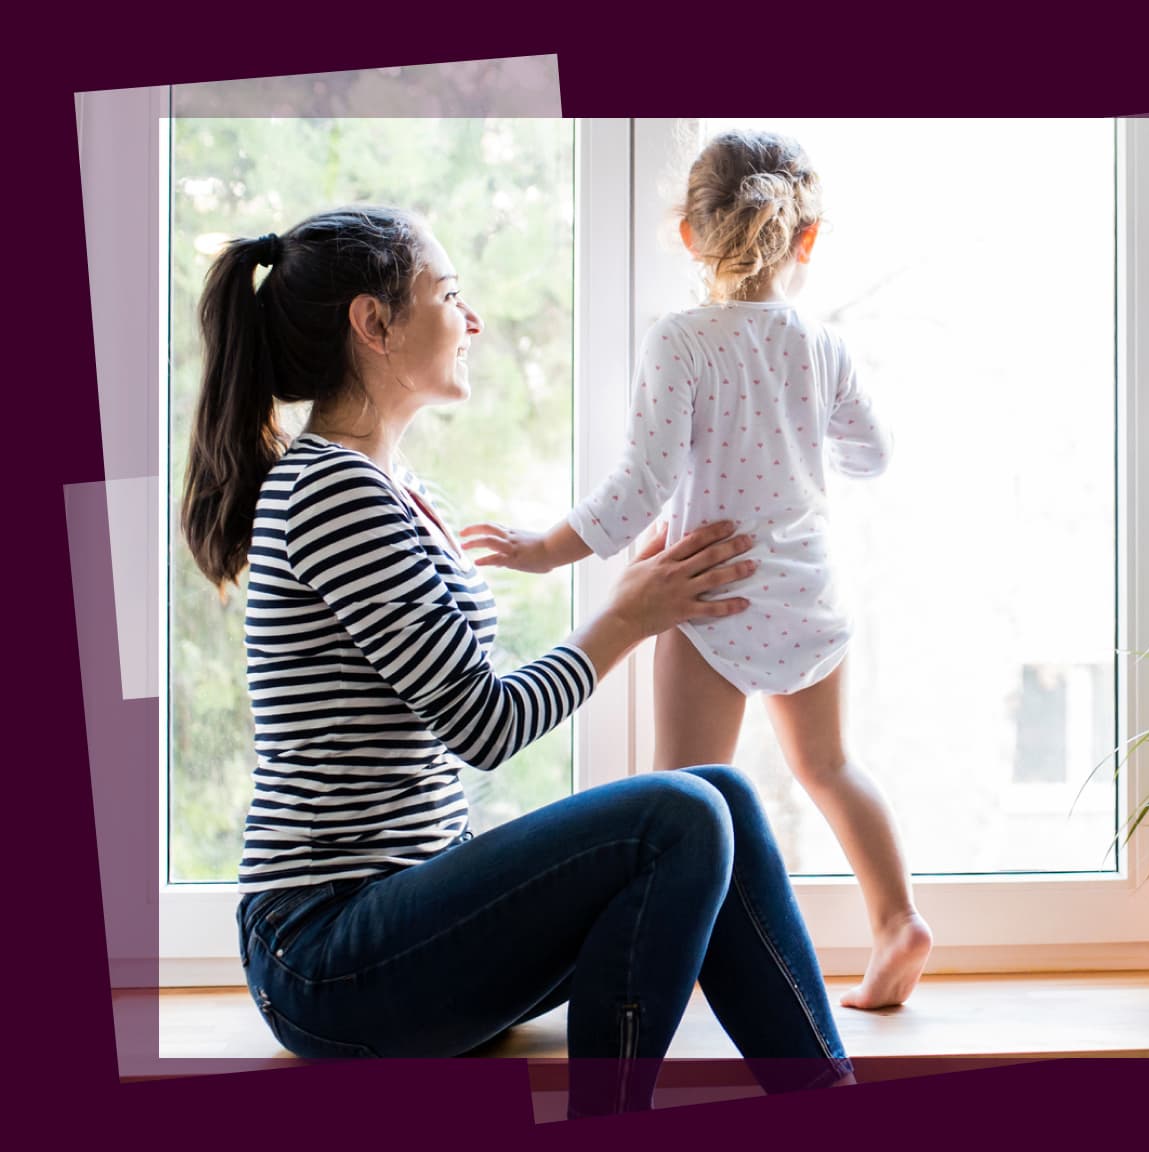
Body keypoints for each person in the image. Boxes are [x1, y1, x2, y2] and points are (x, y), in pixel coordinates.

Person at [179, 205, 852, 1115]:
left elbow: (459, 703)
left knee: (716, 793)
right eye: (450, 295)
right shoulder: (329, 492)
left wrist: (633, 600)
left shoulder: (395, 489)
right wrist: (625, 618)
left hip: (398, 919)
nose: (474, 319)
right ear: (373, 325)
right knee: (682, 811)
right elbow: (485, 724)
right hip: (327, 954)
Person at [460, 130, 932, 1010]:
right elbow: (874, 453)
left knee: (683, 802)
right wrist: (797, 437)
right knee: (829, 766)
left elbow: (638, 490)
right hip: (806, 587)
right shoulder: (819, 344)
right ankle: (898, 919)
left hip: (709, 590)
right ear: (808, 238)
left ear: (688, 235)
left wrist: (539, 549)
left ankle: (682, 976)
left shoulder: (679, 343)